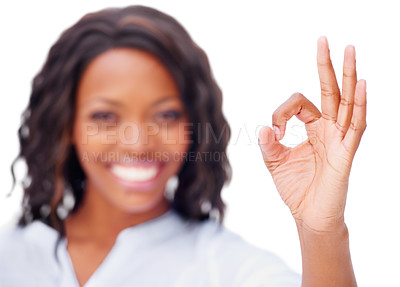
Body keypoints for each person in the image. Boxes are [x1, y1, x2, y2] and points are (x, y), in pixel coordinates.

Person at [0, 5, 366, 287]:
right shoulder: (10, 254)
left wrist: (322, 229)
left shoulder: (227, 268)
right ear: (67, 125)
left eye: (166, 115)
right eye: (106, 117)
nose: (139, 142)